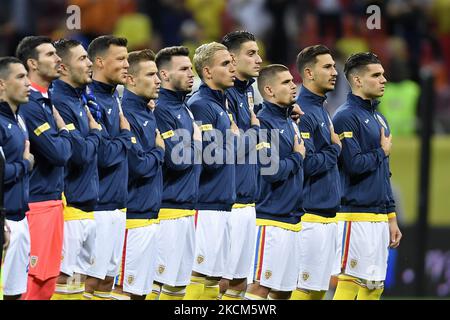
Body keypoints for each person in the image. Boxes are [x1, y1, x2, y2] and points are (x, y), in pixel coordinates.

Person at [332, 52, 402, 300]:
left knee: (374, 286)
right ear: (358, 80)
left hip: (378, 215)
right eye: (376, 75)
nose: (383, 79)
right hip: (354, 213)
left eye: (383, 74)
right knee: (350, 281)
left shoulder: (379, 118)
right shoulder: (344, 117)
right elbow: (353, 164)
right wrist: (381, 151)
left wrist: (390, 216)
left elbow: (385, 174)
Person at [16, 36, 73, 300]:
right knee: (32, 285)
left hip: (53, 202)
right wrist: (64, 130)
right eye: (50, 54)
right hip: (36, 205)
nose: (58, 59)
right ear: (32, 63)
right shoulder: (29, 104)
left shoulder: (45, 100)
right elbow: (60, 153)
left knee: (47, 284)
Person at [246, 64, 305, 300]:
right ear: (269, 90)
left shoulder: (290, 120)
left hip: (291, 218)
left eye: (293, 80)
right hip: (269, 218)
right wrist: (298, 156)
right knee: (260, 287)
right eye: (286, 82)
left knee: (284, 290)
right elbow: (272, 170)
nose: (293, 85)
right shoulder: (263, 123)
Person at [185, 42, 238, 300]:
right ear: (207, 72)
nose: (233, 68)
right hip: (205, 205)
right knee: (198, 276)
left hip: (221, 204)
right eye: (225, 64)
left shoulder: (221, 103)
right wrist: (237, 139)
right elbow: (210, 158)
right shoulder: (200, 104)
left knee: (214, 281)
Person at [50, 39, 101, 300]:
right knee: (62, 283)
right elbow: (78, 154)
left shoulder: (78, 100)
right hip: (68, 209)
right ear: (62, 67)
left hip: (85, 207)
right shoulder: (59, 100)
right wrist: (95, 133)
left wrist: (92, 137)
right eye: (82, 58)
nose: (90, 63)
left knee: (77, 288)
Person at [83, 35, 133, 300]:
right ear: (100, 62)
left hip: (117, 205)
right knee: (89, 282)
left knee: (106, 283)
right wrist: (125, 137)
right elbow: (103, 154)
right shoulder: (91, 99)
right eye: (121, 59)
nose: (127, 64)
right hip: (98, 208)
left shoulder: (114, 97)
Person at [113, 49, 165, 300]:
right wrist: (159, 152)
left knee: (142, 294)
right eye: (151, 74)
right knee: (124, 293)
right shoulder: (127, 114)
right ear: (131, 80)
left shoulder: (147, 112)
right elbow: (138, 166)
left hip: (150, 217)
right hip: (132, 220)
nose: (158, 80)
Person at [291, 45, 341, 300]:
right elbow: (307, 163)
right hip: (309, 216)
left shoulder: (321, 108)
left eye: (334, 66)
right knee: (303, 290)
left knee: (317, 291)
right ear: (309, 73)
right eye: (327, 67)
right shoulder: (303, 110)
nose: (335, 72)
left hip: (325, 215)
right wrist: (335, 149)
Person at [152, 46, 201, 300]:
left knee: (177, 288)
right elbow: (175, 159)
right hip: (167, 212)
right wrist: (198, 143)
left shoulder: (185, 108)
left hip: (185, 210)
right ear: (164, 75)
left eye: (191, 68)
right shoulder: (160, 109)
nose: (191, 73)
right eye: (183, 69)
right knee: (156, 284)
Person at [219, 30, 261, 300]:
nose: (259, 59)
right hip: (228, 202)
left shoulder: (247, 94)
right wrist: (256, 133)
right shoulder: (222, 96)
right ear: (232, 59)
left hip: (248, 200)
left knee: (239, 283)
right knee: (219, 280)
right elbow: (226, 151)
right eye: (251, 53)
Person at [0, 57, 34, 300]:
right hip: (4, 222)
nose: (28, 83)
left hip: (21, 218)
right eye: (20, 77)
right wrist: (25, 164)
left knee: (16, 294)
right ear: (2, 84)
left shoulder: (19, 119)